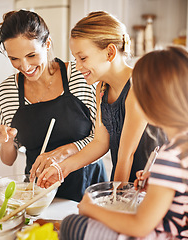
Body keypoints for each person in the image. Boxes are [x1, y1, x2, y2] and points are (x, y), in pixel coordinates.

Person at [60, 45, 188, 239]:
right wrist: (157, 183)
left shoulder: (170, 156)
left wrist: (90, 209)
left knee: (72, 224)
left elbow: (139, 226)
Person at [0, 9, 107, 202]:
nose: (24, 66)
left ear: (47, 44)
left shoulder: (80, 75)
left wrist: (61, 153)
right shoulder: (8, 91)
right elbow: (8, 160)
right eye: (14, 59)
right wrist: (6, 140)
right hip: (39, 195)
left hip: (88, 191)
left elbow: (101, 139)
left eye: (31, 55)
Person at [37, 11, 166, 188]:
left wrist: (115, 200)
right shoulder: (102, 88)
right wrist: (61, 168)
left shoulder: (138, 86)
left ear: (110, 52)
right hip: (127, 183)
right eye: (75, 59)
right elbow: (100, 142)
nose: (77, 65)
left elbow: (126, 155)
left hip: (153, 187)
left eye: (83, 58)